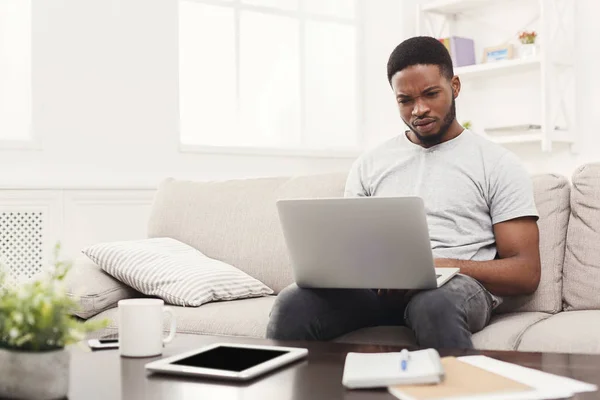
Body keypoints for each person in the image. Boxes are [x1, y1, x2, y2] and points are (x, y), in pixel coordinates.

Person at [266, 36, 541, 349]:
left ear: (455, 86)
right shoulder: (370, 165)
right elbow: (350, 250)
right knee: (293, 303)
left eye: (430, 94)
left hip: (455, 287)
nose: (419, 109)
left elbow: (526, 271)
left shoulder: (498, 164)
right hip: (377, 292)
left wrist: (436, 266)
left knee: (432, 303)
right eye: (405, 100)